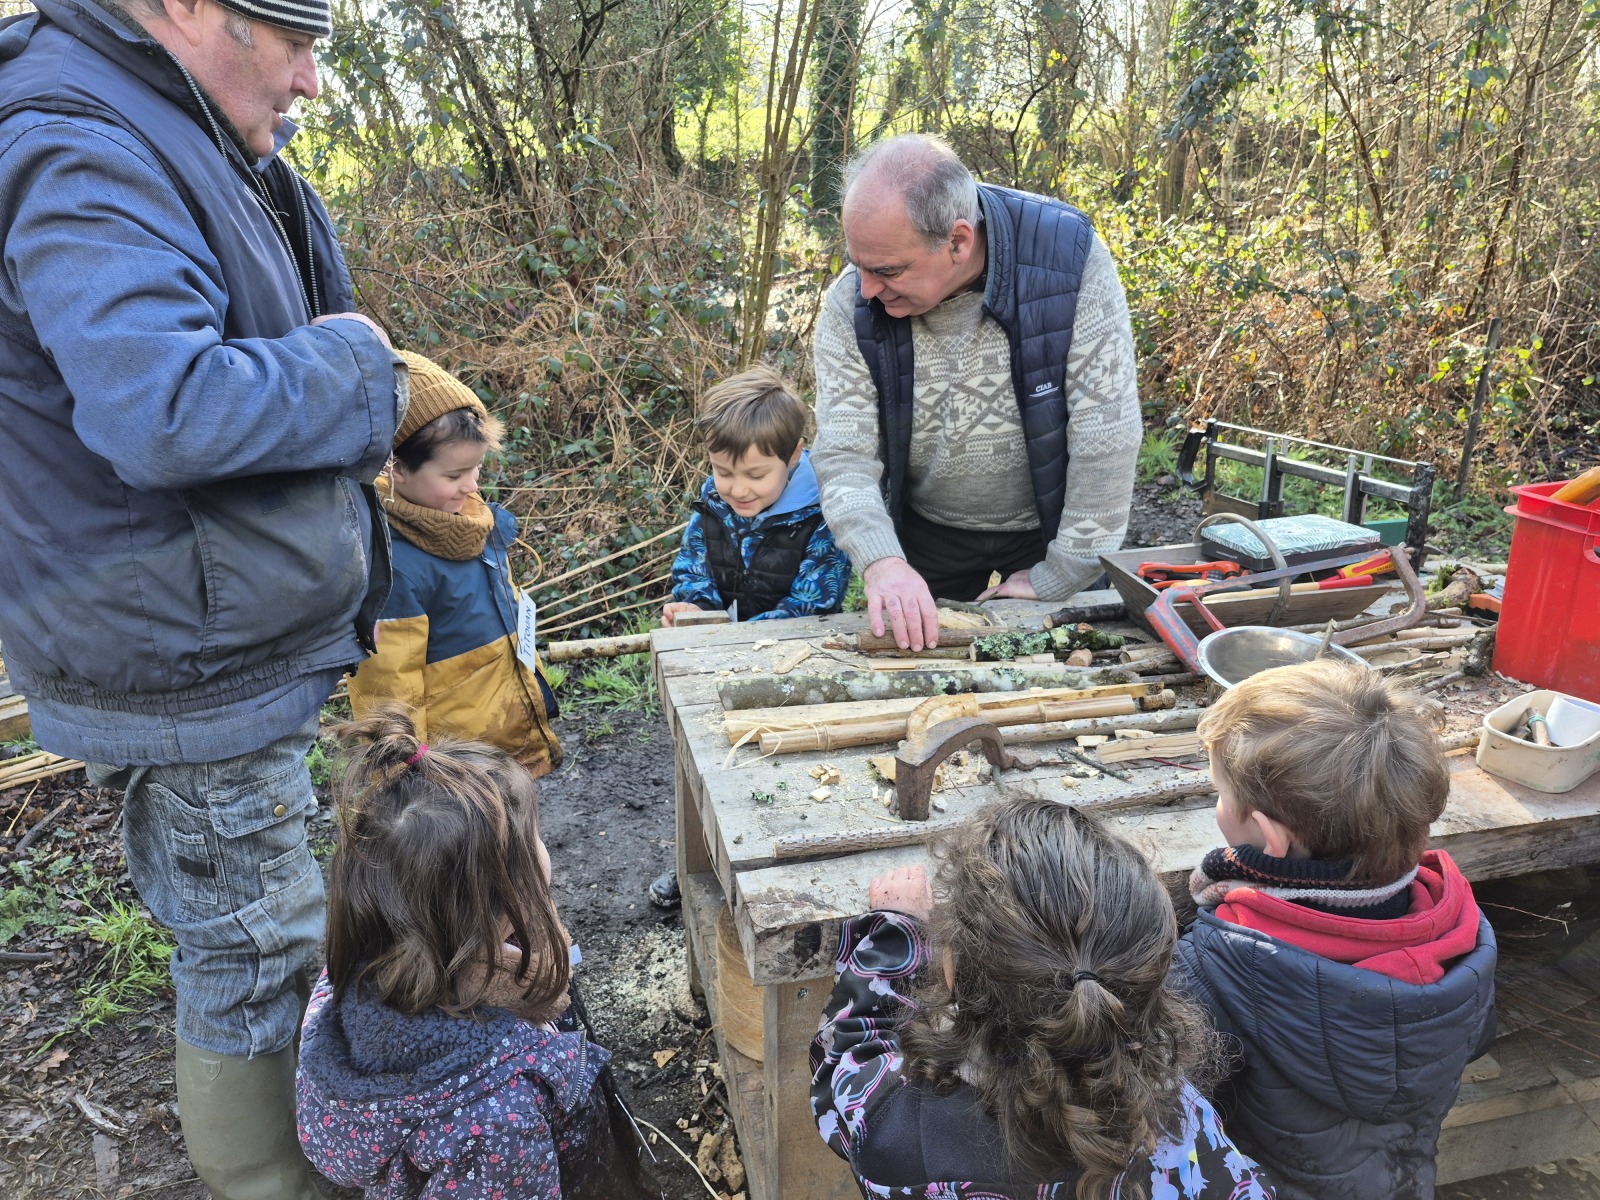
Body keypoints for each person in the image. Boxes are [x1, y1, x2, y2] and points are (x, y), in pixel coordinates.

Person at [0, 0, 403, 1192]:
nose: (312, 80)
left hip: (196, 625)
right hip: (182, 654)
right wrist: (355, 366)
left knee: (265, 931)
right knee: (252, 957)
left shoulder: (153, 111)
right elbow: (164, 406)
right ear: (189, 8)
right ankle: (271, 1181)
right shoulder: (80, 142)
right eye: (295, 42)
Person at [810, 795, 1277, 1199]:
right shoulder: (1182, 1124)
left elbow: (845, 1056)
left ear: (950, 968)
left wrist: (895, 931)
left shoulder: (892, 1129)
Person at [296, 706, 659, 1199]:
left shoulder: (358, 972)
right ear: (491, 898)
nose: (544, 846)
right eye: (533, 837)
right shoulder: (496, 1119)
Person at [1173, 660, 1497, 1200]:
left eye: (1220, 792)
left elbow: (1177, 1089)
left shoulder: (1210, 968)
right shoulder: (1462, 932)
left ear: (1269, 837)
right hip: (1403, 1179)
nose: (1217, 803)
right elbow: (1474, 1038)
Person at [811, 132, 1143, 652]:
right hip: (927, 532)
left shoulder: (1069, 262)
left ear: (959, 242)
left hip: (1050, 529)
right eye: (858, 264)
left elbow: (1107, 431)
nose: (866, 289)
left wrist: (1066, 570)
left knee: (1060, 674)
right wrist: (883, 561)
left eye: (887, 270)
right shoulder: (851, 302)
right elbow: (843, 454)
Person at [349, 352, 562, 778]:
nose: (472, 485)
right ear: (395, 467)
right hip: (452, 774)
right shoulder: (391, 570)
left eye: (477, 467)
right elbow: (388, 697)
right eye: (454, 476)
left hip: (505, 744)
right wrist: (404, 782)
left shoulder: (473, 522)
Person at [662, 363, 852, 628]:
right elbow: (693, 571)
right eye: (724, 472)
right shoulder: (713, 504)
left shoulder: (822, 518)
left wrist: (734, 634)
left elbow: (813, 605)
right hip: (720, 646)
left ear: (793, 455)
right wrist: (697, 608)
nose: (738, 490)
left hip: (798, 645)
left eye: (756, 476)